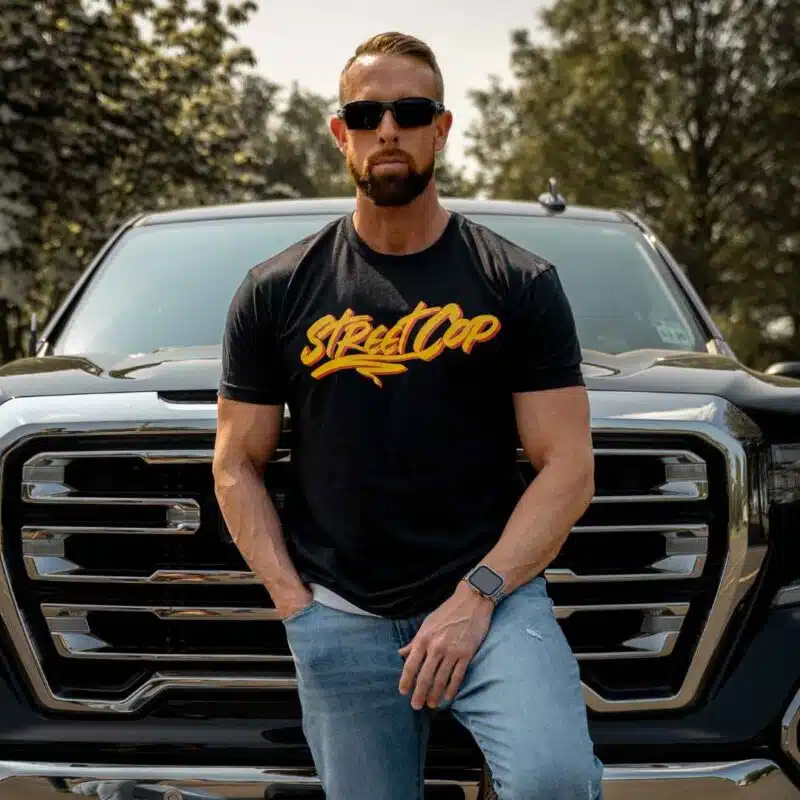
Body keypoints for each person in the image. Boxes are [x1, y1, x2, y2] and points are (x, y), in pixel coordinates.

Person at [212, 31, 604, 800]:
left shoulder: (517, 282)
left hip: (492, 602)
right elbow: (235, 464)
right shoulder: (275, 291)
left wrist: (477, 596)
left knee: (554, 780)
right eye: (366, 115)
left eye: (411, 112)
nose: (387, 130)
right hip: (339, 613)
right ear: (341, 133)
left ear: (441, 128)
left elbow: (569, 468)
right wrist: (297, 608)